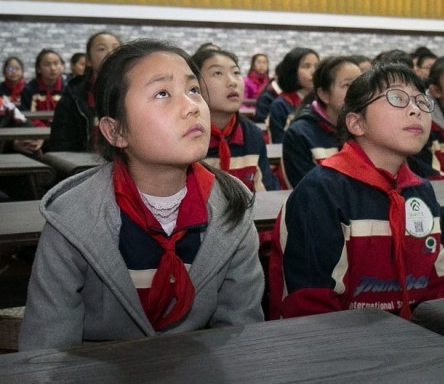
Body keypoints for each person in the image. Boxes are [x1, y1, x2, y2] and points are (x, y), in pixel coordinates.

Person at [19, 40, 264, 351]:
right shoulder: (72, 217)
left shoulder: (233, 206)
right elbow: (47, 350)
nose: (192, 106)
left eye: (193, 90)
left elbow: (241, 336)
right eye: (162, 94)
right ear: (115, 131)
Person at [269, 63, 444, 319]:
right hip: (343, 346)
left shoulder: (421, 190)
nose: (415, 109)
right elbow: (309, 306)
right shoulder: (321, 191)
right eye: (397, 98)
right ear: (357, 123)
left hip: (419, 341)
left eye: (421, 101)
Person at [192, 47, 280, 192]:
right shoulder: (182, 135)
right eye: (218, 73)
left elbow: (265, 193)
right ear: (194, 85)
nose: (232, 82)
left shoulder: (252, 135)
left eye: (236, 72)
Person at [281, 56, 361, 188]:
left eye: (360, 83)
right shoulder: (300, 134)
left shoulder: (368, 128)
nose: (357, 91)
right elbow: (308, 190)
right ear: (324, 94)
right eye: (347, 85)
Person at [48, 31, 122, 152]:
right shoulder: (73, 96)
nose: (111, 53)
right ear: (88, 60)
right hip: (82, 165)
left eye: (116, 48)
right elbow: (60, 144)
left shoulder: (135, 92)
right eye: (102, 49)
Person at [267, 47, 319, 143]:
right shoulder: (280, 105)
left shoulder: (323, 102)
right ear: (292, 71)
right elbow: (279, 143)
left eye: (316, 66)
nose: (314, 72)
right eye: (306, 66)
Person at [20, 49, 65, 113]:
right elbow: (26, 117)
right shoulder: (28, 90)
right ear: (38, 69)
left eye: (56, 63)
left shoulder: (68, 89)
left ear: (62, 66)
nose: (53, 68)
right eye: (47, 64)